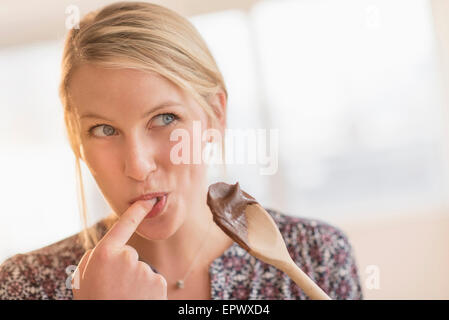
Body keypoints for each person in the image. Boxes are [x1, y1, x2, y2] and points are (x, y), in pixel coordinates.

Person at [0, 1, 363, 300]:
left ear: (215, 116)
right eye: (104, 129)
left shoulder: (316, 257)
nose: (139, 166)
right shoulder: (25, 285)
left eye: (165, 118)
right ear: (76, 140)